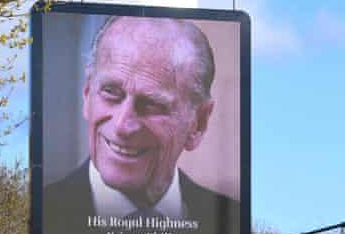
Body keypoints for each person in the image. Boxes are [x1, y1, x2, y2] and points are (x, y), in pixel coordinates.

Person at [45, 15, 239, 222]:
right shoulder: (38, 215)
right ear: (87, 93)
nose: (122, 125)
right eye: (110, 92)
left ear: (198, 123)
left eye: (151, 104)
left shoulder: (231, 224)